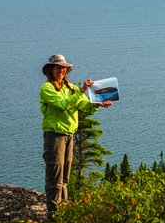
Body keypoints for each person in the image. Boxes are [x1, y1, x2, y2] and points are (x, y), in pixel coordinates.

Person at [39, 54, 111, 214]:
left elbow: (85, 106)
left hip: (69, 135)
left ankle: (64, 212)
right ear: (51, 70)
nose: (61, 70)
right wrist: (83, 91)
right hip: (54, 136)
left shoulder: (70, 88)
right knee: (55, 177)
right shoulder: (47, 88)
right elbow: (61, 105)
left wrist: (99, 104)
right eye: (58, 67)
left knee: (65, 177)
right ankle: (54, 216)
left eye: (63, 68)